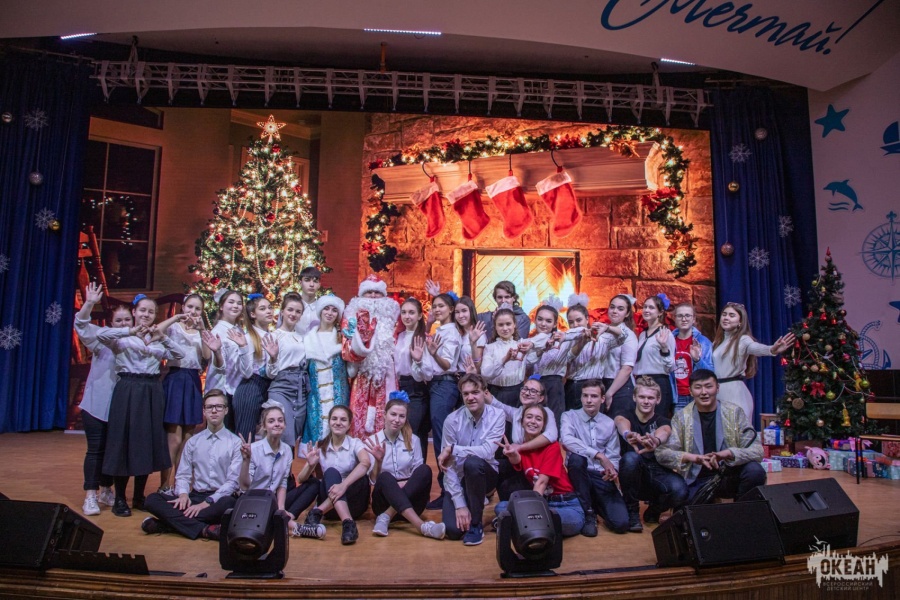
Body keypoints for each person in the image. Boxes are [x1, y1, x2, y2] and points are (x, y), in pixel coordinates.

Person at [97, 294, 185, 517]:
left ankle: (138, 497)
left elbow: (179, 354)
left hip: (152, 389)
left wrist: (162, 337)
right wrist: (129, 331)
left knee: (145, 443)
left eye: (151, 312)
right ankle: (120, 498)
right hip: (128, 388)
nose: (146, 314)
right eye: (142, 310)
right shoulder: (122, 337)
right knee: (124, 442)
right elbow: (100, 335)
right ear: (134, 312)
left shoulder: (158, 339)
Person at [141, 389, 241, 541]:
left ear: (226, 410)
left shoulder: (235, 443)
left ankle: (167, 524)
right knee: (152, 500)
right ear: (204, 411)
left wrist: (207, 503)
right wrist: (183, 495)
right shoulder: (193, 442)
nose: (214, 411)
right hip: (195, 496)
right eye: (209, 407)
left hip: (218, 499)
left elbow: (232, 483)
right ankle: (205, 529)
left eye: (219, 407)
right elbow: (183, 475)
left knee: (230, 504)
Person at [656, 369, 766, 504]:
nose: (704, 392)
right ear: (690, 391)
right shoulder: (681, 417)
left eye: (708, 386)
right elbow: (662, 453)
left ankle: (740, 511)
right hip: (697, 478)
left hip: (729, 475)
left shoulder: (734, 412)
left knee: (755, 471)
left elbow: (757, 451)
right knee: (687, 510)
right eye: (698, 387)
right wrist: (692, 457)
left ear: (717, 388)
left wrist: (729, 453)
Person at [73, 282, 129, 515]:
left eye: (127, 320)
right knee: (95, 450)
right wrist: (89, 303)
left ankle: (106, 489)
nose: (124, 324)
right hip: (96, 406)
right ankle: (90, 495)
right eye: (119, 321)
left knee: (113, 450)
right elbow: (81, 325)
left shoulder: (134, 342)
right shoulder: (101, 339)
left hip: (119, 407)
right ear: (111, 324)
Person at [159, 293, 223, 492]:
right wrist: (176, 318)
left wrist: (202, 329)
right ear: (183, 307)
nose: (193, 311)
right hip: (175, 379)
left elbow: (206, 356)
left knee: (187, 439)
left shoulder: (201, 331)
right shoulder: (173, 327)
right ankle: (164, 485)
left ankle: (181, 485)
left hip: (192, 380)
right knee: (174, 438)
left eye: (197, 308)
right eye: (190, 307)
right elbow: (157, 331)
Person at [495, 406, 585, 537]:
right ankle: (527, 524)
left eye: (538, 419)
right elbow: (517, 460)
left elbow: (541, 483)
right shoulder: (522, 447)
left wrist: (532, 513)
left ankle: (516, 524)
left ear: (543, 426)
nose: (533, 421)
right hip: (544, 502)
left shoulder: (552, 446)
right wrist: (511, 453)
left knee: (570, 521)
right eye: (529, 417)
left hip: (565, 505)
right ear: (522, 422)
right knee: (501, 507)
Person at [438, 373, 506, 545]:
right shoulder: (451, 420)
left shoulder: (498, 415)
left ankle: (476, 524)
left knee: (473, 462)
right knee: (453, 531)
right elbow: (448, 466)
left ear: (485, 392)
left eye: (475, 392)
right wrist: (460, 504)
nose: (470, 397)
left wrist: (454, 449)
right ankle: (471, 500)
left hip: (485, 474)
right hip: (460, 477)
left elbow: (487, 452)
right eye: (466, 394)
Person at [363, 397, 445, 540]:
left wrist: (403, 484)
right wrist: (378, 462)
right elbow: (373, 481)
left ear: (406, 419)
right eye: (393, 414)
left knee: (425, 469)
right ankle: (422, 526)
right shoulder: (372, 441)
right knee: (385, 477)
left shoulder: (414, 440)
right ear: (384, 415)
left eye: (401, 416)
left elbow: (418, 475)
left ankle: (387, 516)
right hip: (384, 501)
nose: (397, 420)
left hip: (412, 502)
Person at [614, 376, 688, 532]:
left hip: (656, 472)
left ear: (658, 400)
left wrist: (656, 440)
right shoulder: (624, 414)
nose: (646, 401)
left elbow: (665, 431)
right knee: (631, 458)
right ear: (634, 397)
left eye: (650, 398)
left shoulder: (663, 420)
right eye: (642, 397)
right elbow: (620, 422)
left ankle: (654, 511)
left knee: (680, 490)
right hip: (631, 474)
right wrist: (627, 434)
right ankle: (632, 511)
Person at [560, 379, 629, 536]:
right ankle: (588, 512)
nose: (589, 400)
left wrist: (613, 470)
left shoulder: (609, 423)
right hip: (578, 474)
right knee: (577, 459)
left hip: (600, 475)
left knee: (621, 524)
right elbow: (567, 439)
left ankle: (595, 502)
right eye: (585, 396)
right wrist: (598, 455)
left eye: (594, 396)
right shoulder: (569, 416)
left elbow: (613, 455)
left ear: (602, 399)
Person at [295, 406, 371, 545]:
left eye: (343, 419)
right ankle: (348, 523)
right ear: (329, 422)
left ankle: (317, 512)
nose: (338, 422)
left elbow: (366, 463)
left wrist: (343, 485)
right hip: (330, 511)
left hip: (354, 504)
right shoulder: (320, 446)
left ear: (349, 424)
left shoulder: (355, 443)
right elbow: (300, 479)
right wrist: (310, 465)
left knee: (362, 477)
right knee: (331, 472)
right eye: (334, 419)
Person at [712, 302, 795, 419]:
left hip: (734, 393)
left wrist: (771, 349)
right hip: (717, 392)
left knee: (736, 428)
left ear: (740, 322)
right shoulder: (718, 342)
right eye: (724, 314)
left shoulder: (743, 340)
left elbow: (755, 347)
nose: (726, 318)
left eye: (731, 315)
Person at [341, 274, 400, 437]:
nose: (373, 296)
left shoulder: (394, 318)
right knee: (358, 417)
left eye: (377, 292)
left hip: (387, 376)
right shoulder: (350, 318)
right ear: (361, 295)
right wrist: (361, 343)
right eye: (369, 292)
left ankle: (385, 450)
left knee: (386, 418)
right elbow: (346, 348)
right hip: (361, 375)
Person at [484, 376, 559, 501]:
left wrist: (520, 447)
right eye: (525, 388)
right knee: (497, 466)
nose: (527, 393)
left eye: (533, 391)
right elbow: (498, 405)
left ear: (541, 398)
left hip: (540, 466)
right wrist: (482, 388)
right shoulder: (517, 413)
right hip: (522, 464)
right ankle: (494, 497)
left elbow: (551, 436)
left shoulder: (546, 412)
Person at [423, 292, 462, 509]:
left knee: (442, 439)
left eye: (441, 306)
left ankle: (449, 491)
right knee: (440, 437)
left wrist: (434, 354)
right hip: (436, 385)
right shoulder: (441, 329)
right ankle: (448, 488)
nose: (437, 310)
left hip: (445, 385)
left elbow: (447, 364)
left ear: (451, 309)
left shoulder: (451, 332)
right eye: (434, 306)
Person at [262, 292, 308, 449]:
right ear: (282, 311)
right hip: (281, 387)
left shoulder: (302, 337)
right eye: (290, 310)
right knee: (282, 432)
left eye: (298, 311)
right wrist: (273, 358)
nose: (293, 314)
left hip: (300, 388)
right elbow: (270, 373)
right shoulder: (273, 336)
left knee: (296, 433)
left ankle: (289, 465)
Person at [302, 294, 350, 444]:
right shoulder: (308, 339)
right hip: (316, 398)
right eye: (326, 309)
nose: (330, 313)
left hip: (339, 395)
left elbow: (351, 370)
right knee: (316, 434)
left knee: (339, 435)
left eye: (334, 310)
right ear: (320, 311)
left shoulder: (343, 338)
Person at [564, 294, 626, 411]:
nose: (575, 325)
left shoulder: (603, 338)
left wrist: (607, 328)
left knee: (596, 420)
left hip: (596, 385)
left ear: (587, 319)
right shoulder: (568, 338)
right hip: (575, 386)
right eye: (571, 322)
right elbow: (567, 358)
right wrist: (582, 342)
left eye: (579, 320)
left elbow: (623, 336)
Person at [206, 289, 253, 431]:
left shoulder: (239, 330)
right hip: (222, 391)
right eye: (231, 302)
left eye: (239, 303)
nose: (235, 306)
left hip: (236, 391)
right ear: (221, 306)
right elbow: (218, 367)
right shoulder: (217, 332)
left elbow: (245, 369)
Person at [238, 400, 293, 518]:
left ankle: (283, 517)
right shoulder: (253, 449)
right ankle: (292, 524)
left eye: (280, 420)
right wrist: (246, 461)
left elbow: (283, 482)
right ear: (264, 426)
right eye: (271, 421)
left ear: (284, 425)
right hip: (254, 500)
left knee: (310, 486)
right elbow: (244, 487)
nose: (277, 424)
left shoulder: (287, 450)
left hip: (274, 499)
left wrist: (281, 508)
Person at [232, 293, 274, 441]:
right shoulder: (248, 337)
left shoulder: (272, 336)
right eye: (263, 309)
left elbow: (272, 371)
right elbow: (246, 373)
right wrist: (243, 347)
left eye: (270, 307)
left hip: (267, 386)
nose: (269, 311)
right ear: (252, 314)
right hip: (250, 388)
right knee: (245, 438)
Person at [394, 298, 433, 459]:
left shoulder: (422, 337)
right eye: (404, 312)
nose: (407, 316)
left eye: (411, 312)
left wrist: (418, 360)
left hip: (416, 388)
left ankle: (419, 469)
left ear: (419, 315)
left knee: (414, 432)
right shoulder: (399, 336)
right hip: (398, 386)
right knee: (401, 432)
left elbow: (428, 374)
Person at [633, 295, 676, 419]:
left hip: (658, 381)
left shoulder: (665, 333)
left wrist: (664, 348)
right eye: (645, 307)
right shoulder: (643, 334)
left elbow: (671, 367)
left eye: (651, 308)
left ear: (660, 312)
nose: (646, 310)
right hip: (641, 381)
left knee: (657, 420)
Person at [481, 307, 533, 407]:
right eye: (500, 325)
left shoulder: (522, 345)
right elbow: (485, 373)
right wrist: (505, 359)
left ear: (514, 325)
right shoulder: (490, 348)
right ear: (495, 327)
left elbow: (535, 356)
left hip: (517, 393)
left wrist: (533, 346)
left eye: (508, 324)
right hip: (495, 393)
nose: (505, 328)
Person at [526, 300, 567, 423]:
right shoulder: (530, 342)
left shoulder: (561, 341)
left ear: (555, 324)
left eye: (548, 321)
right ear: (535, 320)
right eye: (540, 319)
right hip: (535, 385)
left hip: (553, 386)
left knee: (554, 421)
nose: (543, 324)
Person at [600, 294, 639, 418]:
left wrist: (610, 393)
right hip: (603, 383)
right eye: (612, 307)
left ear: (627, 314)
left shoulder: (629, 335)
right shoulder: (604, 333)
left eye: (620, 309)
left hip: (620, 386)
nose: (615, 311)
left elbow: (627, 368)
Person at [671, 303, 714, 412]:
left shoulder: (703, 342)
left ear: (694, 319)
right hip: (677, 397)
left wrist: (697, 360)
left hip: (697, 395)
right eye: (680, 316)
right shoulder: (669, 341)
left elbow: (711, 373)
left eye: (687, 315)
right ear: (674, 318)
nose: (684, 319)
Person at [453, 295, 488, 375]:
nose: (460, 315)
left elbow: (478, 366)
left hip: (470, 376)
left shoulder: (478, 334)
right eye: (457, 312)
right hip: (455, 377)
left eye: (464, 311)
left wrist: (473, 343)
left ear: (471, 311)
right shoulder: (456, 333)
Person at [294, 266, 323, 335]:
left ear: (319, 285)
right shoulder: (291, 307)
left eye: (315, 281)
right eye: (307, 280)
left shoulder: (322, 309)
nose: (311, 284)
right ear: (300, 283)